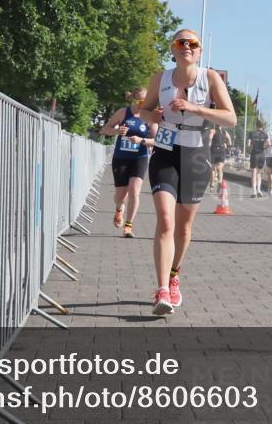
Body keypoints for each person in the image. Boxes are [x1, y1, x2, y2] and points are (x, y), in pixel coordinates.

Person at [139, 29, 236, 316]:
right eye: (181, 42)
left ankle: (174, 273)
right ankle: (161, 290)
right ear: (173, 49)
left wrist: (195, 108)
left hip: (195, 155)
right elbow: (143, 110)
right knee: (166, 221)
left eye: (192, 43)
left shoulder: (210, 78)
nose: (187, 47)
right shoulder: (161, 78)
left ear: (200, 51)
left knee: (183, 227)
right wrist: (151, 115)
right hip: (165, 152)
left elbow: (230, 118)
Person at [98, 89, 157, 238]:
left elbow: (158, 141)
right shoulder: (123, 113)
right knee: (120, 197)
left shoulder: (150, 116)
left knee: (135, 191)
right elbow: (104, 129)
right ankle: (119, 209)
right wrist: (117, 132)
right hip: (121, 158)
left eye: (146, 102)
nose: (143, 105)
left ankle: (128, 226)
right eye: (140, 102)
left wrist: (142, 140)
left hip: (140, 157)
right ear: (133, 101)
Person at [247, 119, 268, 197]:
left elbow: (248, 144)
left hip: (254, 154)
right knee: (259, 174)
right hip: (262, 154)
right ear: (262, 126)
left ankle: (254, 192)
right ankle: (259, 190)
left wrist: (251, 145)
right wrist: (263, 146)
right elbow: (268, 143)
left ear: (256, 125)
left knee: (254, 174)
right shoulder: (265, 135)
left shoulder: (251, 133)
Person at [207, 125, 232, 193]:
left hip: (218, 151)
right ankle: (216, 183)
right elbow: (229, 139)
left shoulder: (219, 131)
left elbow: (229, 138)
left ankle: (216, 184)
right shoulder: (218, 131)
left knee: (216, 169)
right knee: (216, 169)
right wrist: (229, 147)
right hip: (217, 151)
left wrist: (229, 147)